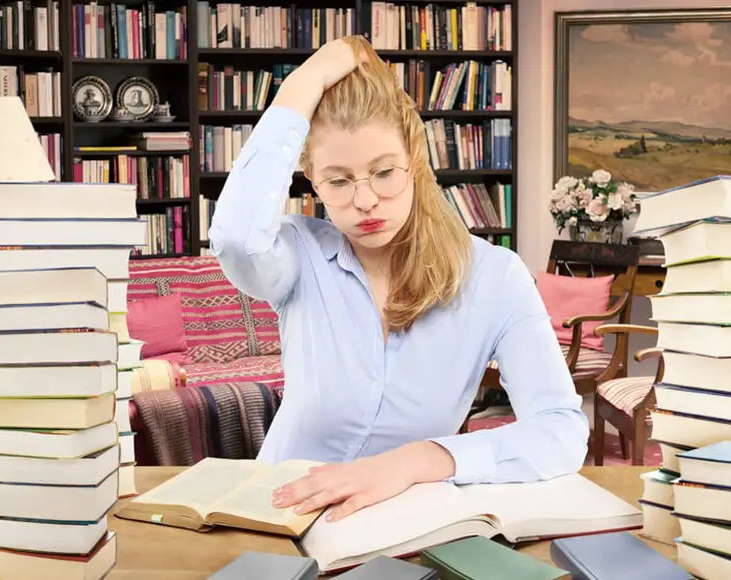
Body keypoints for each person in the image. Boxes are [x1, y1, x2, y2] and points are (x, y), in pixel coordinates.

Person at [207, 36, 589, 524]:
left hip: (404, 531)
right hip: (277, 519)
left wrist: (417, 461)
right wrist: (311, 76)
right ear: (312, 181)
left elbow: (560, 429)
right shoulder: (299, 255)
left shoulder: (494, 277)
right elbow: (237, 240)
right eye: (339, 181)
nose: (364, 201)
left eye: (384, 172)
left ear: (414, 159)